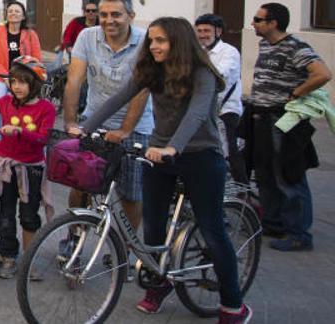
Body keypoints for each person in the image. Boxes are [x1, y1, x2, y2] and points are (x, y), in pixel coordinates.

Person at [70, 17, 253, 322]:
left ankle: (233, 304)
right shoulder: (153, 70)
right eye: (151, 40)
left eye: (160, 41)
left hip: (200, 156)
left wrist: (173, 147)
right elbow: (119, 98)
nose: (153, 46)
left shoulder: (202, 73)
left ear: (178, 42)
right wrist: (85, 128)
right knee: (153, 228)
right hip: (158, 155)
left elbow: (195, 115)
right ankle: (159, 282)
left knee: (212, 230)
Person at [62, 0, 154, 231]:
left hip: (136, 127)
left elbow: (142, 90)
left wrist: (125, 129)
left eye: (116, 14)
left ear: (131, 16)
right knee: (81, 186)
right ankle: (73, 240)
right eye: (103, 15)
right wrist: (71, 122)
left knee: (130, 194)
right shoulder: (87, 36)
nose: (108, 20)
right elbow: (74, 81)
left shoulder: (145, 41)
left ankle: (125, 250)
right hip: (94, 120)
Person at [247, 2, 332, 251]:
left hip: (281, 120)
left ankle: (299, 234)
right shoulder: (265, 44)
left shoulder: (296, 48)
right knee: (264, 173)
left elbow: (323, 74)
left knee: (288, 175)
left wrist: (296, 93)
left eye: (258, 19)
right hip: (260, 117)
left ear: (273, 23)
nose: (253, 23)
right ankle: (273, 223)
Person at [0, 57, 54, 278]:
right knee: (5, 213)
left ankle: (29, 259)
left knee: (28, 216)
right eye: (14, 81)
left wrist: (19, 132)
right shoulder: (6, 102)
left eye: (23, 82)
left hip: (31, 169)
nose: (17, 86)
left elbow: (43, 138)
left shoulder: (46, 109)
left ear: (34, 84)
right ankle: (8, 257)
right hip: (6, 167)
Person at [194, 13, 246, 182]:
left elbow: (220, 73)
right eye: (199, 31)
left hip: (226, 108)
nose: (202, 35)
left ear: (218, 32)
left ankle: (242, 190)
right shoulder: (198, 51)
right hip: (204, 108)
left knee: (231, 150)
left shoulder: (229, 52)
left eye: (206, 31)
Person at [0, 1, 42, 102]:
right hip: (0, 77)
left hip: (24, 77)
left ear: (23, 16)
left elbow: (36, 59)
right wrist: (6, 77)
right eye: (10, 11)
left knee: (25, 106)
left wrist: (23, 77)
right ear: (7, 15)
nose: (13, 13)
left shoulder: (31, 34)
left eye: (17, 11)